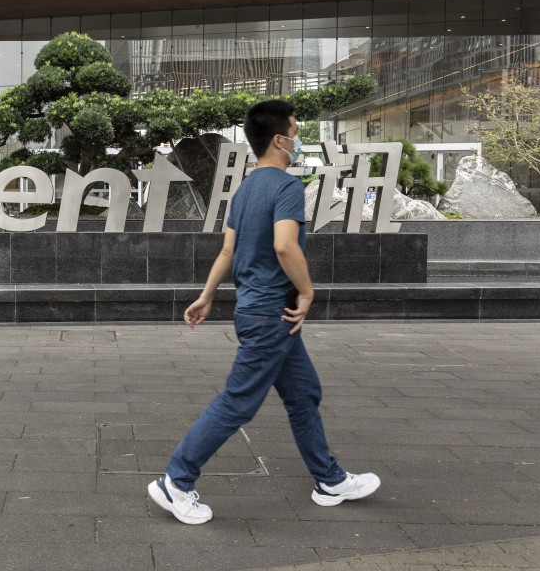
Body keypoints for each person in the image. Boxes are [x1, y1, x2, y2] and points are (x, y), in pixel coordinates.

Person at [147, 99, 380, 525]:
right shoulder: (286, 187)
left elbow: (228, 250)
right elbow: (285, 245)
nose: (297, 137)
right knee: (238, 403)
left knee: (304, 394)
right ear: (279, 140)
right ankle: (176, 481)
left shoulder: (246, 189)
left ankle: (329, 480)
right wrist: (307, 292)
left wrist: (207, 295)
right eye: (294, 130)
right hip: (273, 313)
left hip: (264, 312)